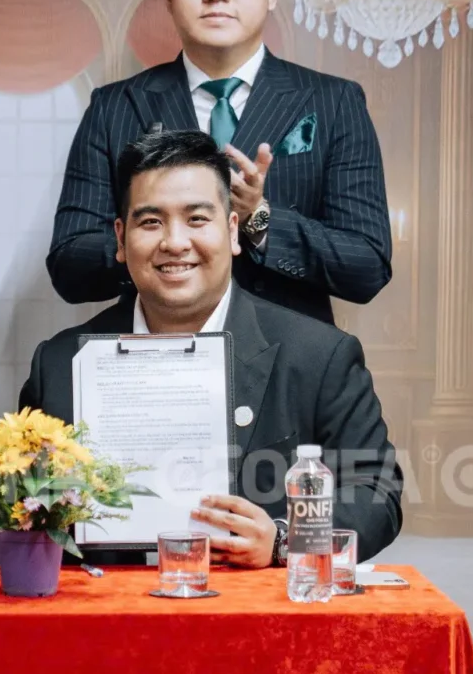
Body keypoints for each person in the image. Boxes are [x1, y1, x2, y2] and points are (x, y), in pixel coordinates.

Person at [21, 128, 401, 567]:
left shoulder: (318, 355)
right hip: (100, 605)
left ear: (233, 230)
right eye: (151, 222)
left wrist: (284, 539)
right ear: (121, 239)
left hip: (254, 607)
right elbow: (19, 506)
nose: (175, 242)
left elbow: (376, 492)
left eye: (197, 219)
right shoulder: (61, 363)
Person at [49, 0, 392, 322]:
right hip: (156, 351)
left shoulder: (334, 101)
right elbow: (70, 264)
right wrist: (159, 236)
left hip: (289, 354)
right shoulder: (114, 106)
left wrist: (258, 219)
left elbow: (366, 265)